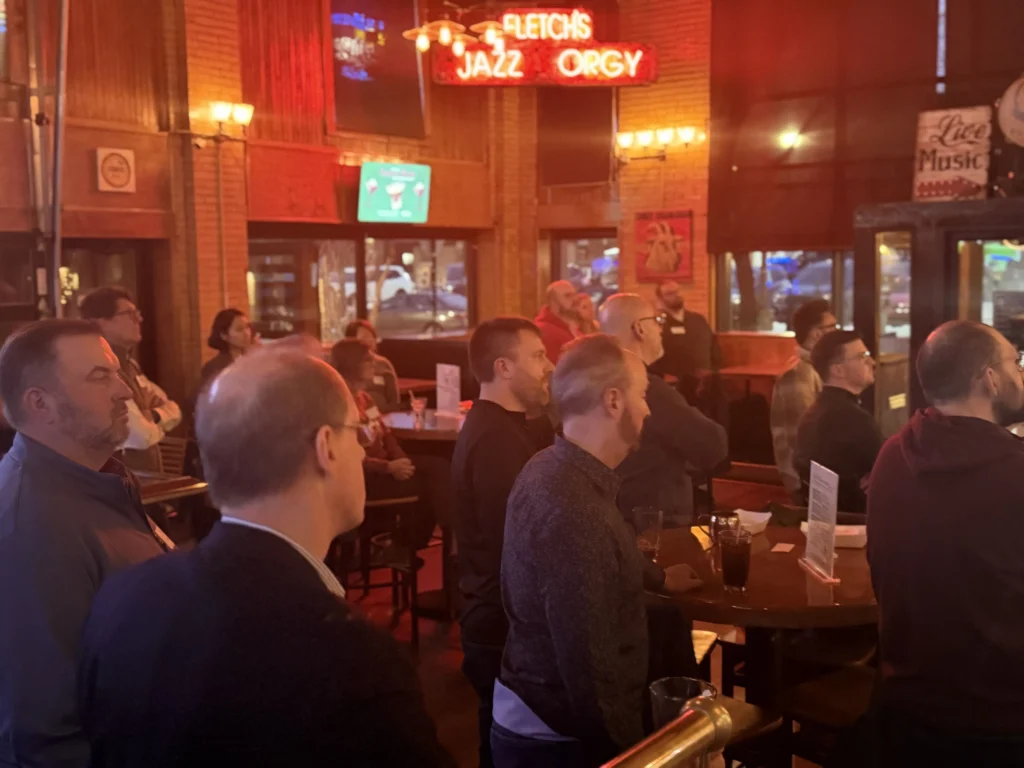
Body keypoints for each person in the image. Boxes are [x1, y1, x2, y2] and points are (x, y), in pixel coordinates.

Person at [77, 349, 455, 768]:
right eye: (355, 431)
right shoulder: (344, 652)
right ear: (325, 446)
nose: (364, 454)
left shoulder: (123, 596)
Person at [493, 335, 702, 768]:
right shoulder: (577, 511)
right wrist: (637, 758)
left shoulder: (551, 466)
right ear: (613, 401)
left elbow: (600, 561)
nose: (647, 409)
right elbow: (593, 679)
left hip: (535, 715)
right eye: (642, 395)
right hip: (557, 741)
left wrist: (658, 577)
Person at [0, 320, 169, 768]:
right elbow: (43, 731)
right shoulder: (29, 524)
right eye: (100, 376)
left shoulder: (99, 481)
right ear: (41, 403)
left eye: (117, 372)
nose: (126, 391)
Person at [864, 321, 1024, 765]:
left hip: (906, 709)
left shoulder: (892, 455)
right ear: (990, 378)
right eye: (1016, 362)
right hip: (1001, 722)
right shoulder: (1015, 473)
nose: (1021, 374)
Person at [451, 317, 554, 768]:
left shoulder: (502, 427)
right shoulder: (495, 437)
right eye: (537, 355)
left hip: (492, 614)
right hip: (499, 622)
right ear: (503, 367)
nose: (548, 366)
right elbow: (513, 545)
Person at [602, 294, 728, 526]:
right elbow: (714, 446)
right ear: (639, 328)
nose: (661, 329)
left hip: (611, 516)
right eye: (657, 320)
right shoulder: (648, 390)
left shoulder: (596, 381)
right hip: (654, 526)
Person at [330, 339, 453, 551]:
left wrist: (400, 458)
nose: (374, 366)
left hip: (385, 466)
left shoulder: (364, 399)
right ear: (353, 365)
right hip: (364, 477)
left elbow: (385, 433)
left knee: (439, 466)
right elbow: (348, 456)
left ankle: (429, 539)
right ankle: (423, 543)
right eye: (369, 362)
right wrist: (388, 467)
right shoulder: (339, 403)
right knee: (429, 486)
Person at [79, 287, 182, 471]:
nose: (139, 319)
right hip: (120, 483)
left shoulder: (131, 366)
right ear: (99, 323)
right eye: (129, 314)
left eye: (137, 313)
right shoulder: (98, 369)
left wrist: (155, 415)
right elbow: (140, 436)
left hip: (148, 482)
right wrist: (154, 423)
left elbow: (174, 409)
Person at [794, 330, 882, 513]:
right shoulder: (853, 420)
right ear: (838, 370)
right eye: (862, 357)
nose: (872, 362)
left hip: (822, 519)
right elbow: (893, 472)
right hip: (854, 524)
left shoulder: (813, 412)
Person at [771, 299, 837, 499]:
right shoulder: (798, 375)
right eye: (833, 327)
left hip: (817, 479)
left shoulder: (816, 369)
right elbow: (805, 437)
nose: (837, 332)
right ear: (817, 333)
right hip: (806, 483)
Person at [649, 281, 721, 404]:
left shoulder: (698, 319)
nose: (676, 295)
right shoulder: (655, 323)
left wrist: (713, 372)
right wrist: (662, 377)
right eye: (670, 293)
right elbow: (649, 355)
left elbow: (714, 349)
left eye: (678, 291)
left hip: (705, 385)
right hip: (674, 388)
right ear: (660, 298)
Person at [345, 319, 401, 413]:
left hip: (384, 417)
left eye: (372, 337)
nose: (370, 341)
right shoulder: (346, 365)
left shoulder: (384, 364)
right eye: (365, 337)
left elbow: (394, 401)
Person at [199, 308, 254, 391]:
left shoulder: (253, 359)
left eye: (247, 327)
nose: (246, 333)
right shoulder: (215, 367)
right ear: (224, 335)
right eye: (239, 329)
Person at [534, 280, 580, 363]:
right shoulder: (544, 331)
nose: (575, 299)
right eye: (567, 296)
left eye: (574, 294)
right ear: (553, 302)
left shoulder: (573, 326)